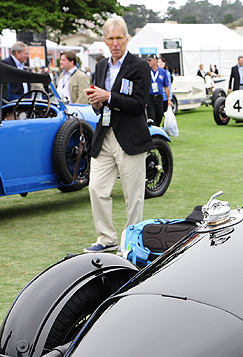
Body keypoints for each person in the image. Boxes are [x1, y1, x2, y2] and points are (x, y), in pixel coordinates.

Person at [83, 16, 153, 254]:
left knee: (133, 196)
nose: (115, 43)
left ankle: (131, 243)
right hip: (104, 135)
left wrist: (108, 97)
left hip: (130, 138)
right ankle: (106, 238)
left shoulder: (139, 66)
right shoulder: (101, 66)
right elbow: (100, 102)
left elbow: (139, 103)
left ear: (127, 39)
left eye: (119, 38)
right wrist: (96, 101)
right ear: (105, 40)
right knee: (96, 188)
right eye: (111, 38)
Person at [146, 55, 168, 126]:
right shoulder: (146, 71)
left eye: (150, 60)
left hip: (159, 97)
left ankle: (157, 128)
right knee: (151, 116)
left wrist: (169, 98)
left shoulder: (163, 72)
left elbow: (166, 86)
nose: (148, 62)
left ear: (155, 61)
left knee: (159, 115)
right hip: (150, 97)